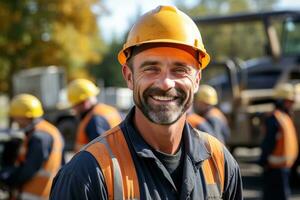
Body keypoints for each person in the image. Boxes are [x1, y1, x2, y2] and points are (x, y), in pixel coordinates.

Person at [50, 5, 243, 199]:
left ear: (197, 80)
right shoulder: (87, 174)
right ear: (129, 76)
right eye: (151, 68)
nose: (166, 83)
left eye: (180, 69)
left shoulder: (219, 161)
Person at [0, 94, 64, 199]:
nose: (15, 122)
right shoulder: (50, 130)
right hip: (48, 193)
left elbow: (29, 169)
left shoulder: (39, 137)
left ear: (24, 116)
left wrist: (6, 178)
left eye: (16, 118)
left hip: (35, 194)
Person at [258, 83, 299, 200]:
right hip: (275, 169)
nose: (292, 104)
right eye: (289, 101)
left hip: (281, 168)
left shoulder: (283, 117)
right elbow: (269, 142)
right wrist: (263, 161)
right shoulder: (276, 118)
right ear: (281, 101)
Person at [67, 78, 123, 151]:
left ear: (84, 102)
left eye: (75, 106)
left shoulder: (94, 120)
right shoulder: (111, 110)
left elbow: (100, 152)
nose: (74, 109)